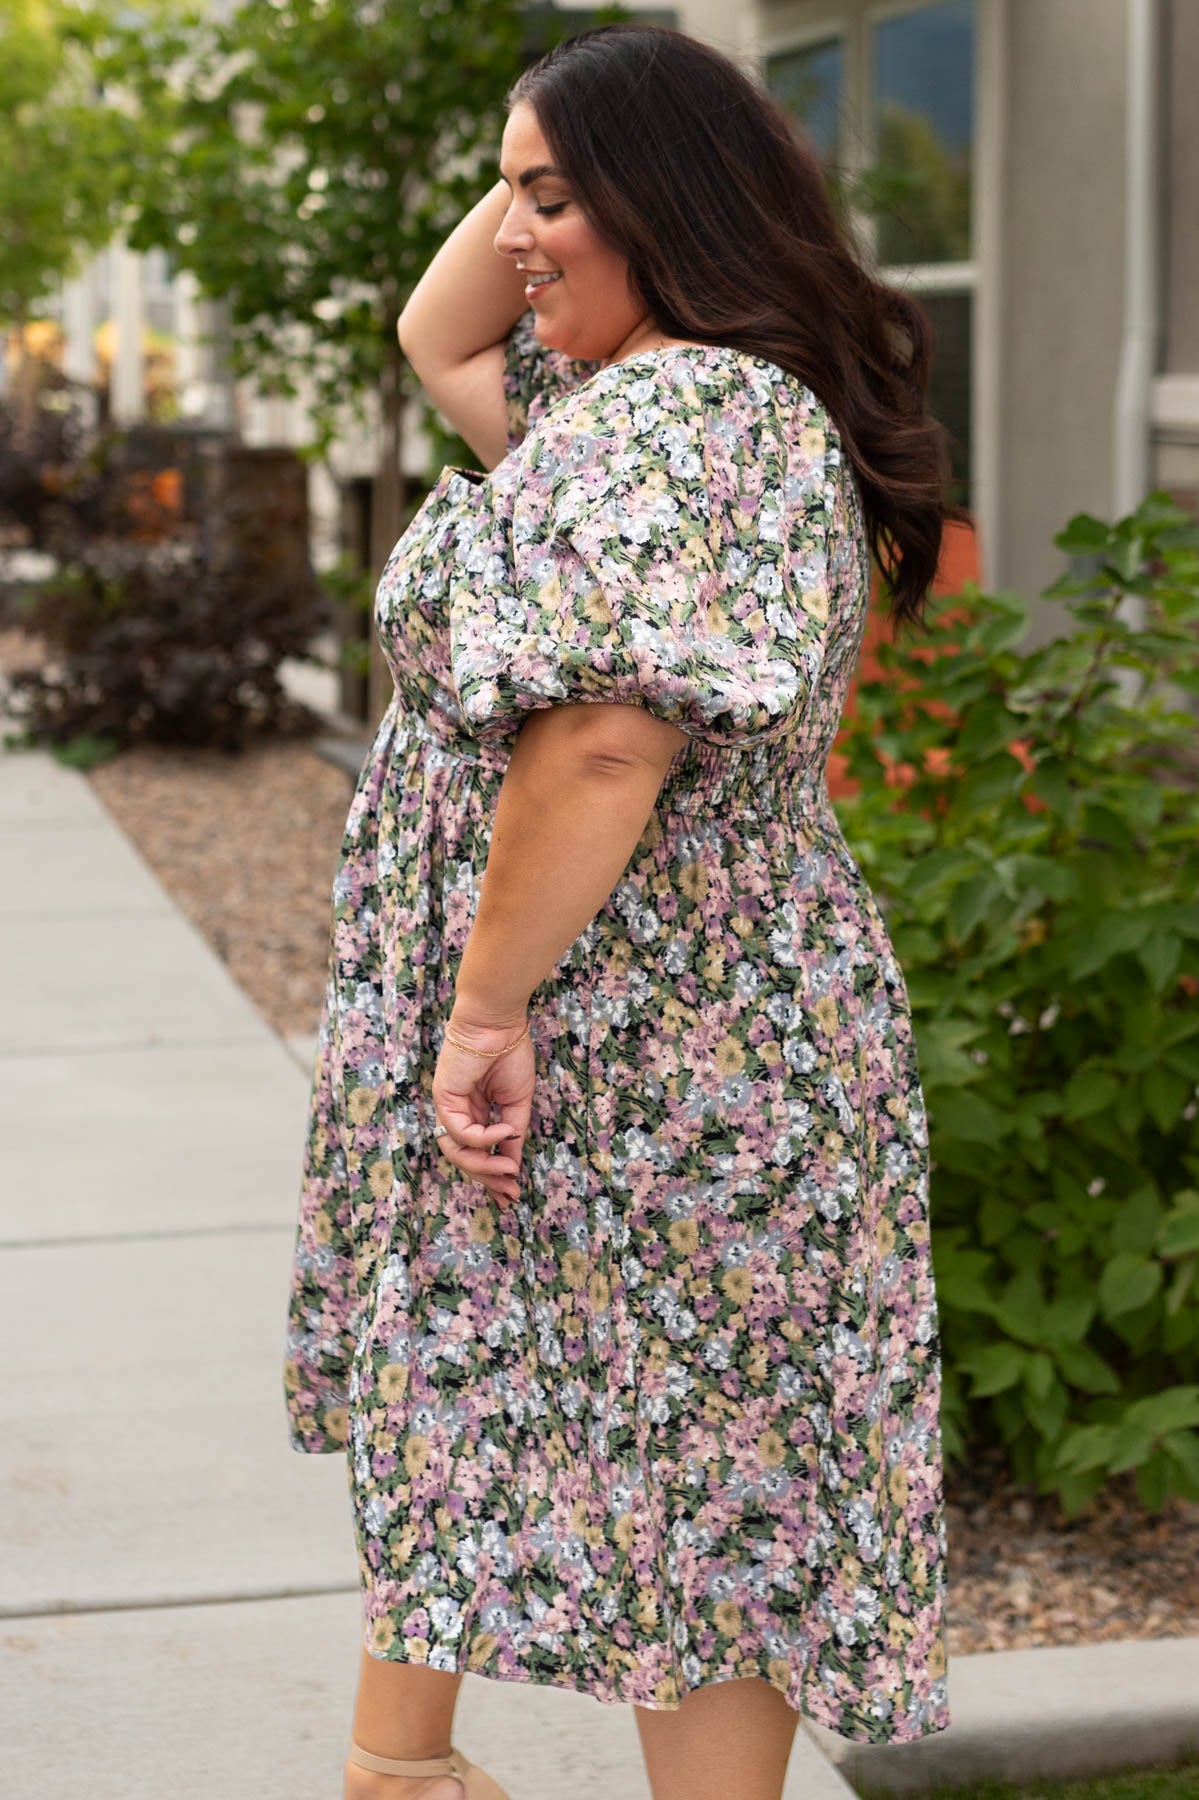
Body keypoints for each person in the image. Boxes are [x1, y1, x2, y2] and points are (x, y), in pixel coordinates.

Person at [283, 21, 956, 1800]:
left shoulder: (697, 415)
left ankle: (402, 1771)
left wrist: (483, 1005)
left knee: (712, 1484)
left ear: (671, 203)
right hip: (652, 1034)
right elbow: (438, 336)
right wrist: (554, 147)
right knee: (623, 1438)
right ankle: (398, 1769)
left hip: (666, 1047)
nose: (511, 237)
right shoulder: (624, 408)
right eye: (509, 196)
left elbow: (599, 743)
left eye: (555, 200)